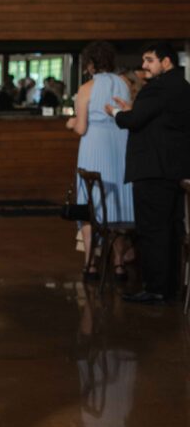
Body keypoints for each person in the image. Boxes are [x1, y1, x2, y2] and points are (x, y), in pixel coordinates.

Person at [106, 41, 190, 304]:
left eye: (149, 60)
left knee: (152, 231)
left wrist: (117, 113)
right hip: (175, 170)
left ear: (167, 62)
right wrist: (133, 110)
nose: (143, 66)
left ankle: (156, 289)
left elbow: (134, 121)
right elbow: (160, 121)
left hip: (152, 169)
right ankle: (170, 287)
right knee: (171, 230)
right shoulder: (183, 87)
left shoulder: (157, 88)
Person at [66, 41, 134, 278]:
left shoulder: (87, 88)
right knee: (119, 204)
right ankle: (118, 263)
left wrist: (71, 122)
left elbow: (81, 128)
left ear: (91, 64)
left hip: (94, 148)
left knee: (90, 203)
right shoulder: (125, 84)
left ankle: (90, 264)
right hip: (121, 147)